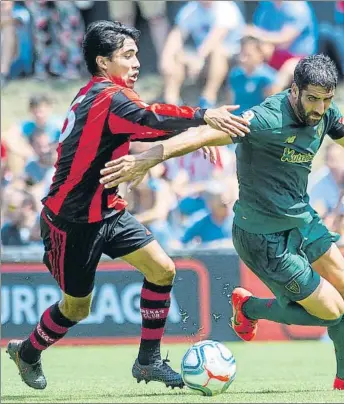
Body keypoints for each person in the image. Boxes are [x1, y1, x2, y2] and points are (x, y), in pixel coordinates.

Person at [100, 54, 344, 390]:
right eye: (313, 99)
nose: (319, 108)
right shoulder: (265, 118)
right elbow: (203, 135)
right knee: (331, 310)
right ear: (294, 90)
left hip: (302, 219)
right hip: (262, 234)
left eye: (326, 99)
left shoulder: (326, 112)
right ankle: (250, 307)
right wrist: (145, 158)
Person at [6, 20, 250, 391]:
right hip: (71, 222)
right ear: (104, 63)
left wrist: (186, 134)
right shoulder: (109, 97)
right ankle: (27, 352)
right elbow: (151, 117)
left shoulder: (98, 94)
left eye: (137, 54)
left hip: (109, 210)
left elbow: (136, 131)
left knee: (163, 270)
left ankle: (147, 361)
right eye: (128, 56)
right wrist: (203, 116)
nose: (136, 63)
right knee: (76, 309)